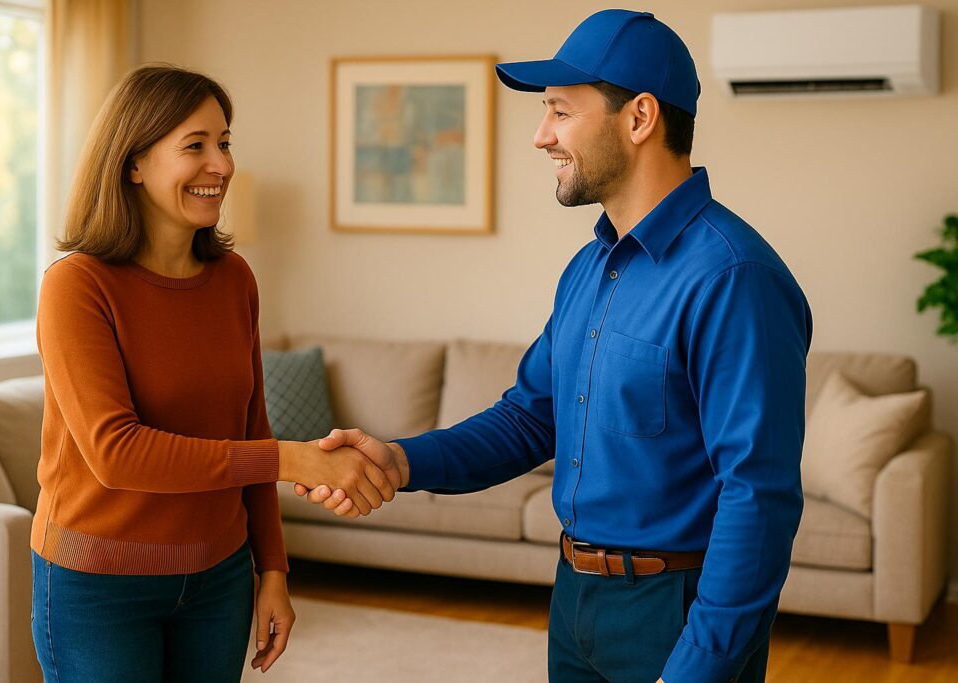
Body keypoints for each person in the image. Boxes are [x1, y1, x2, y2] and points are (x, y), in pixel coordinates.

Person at [296, 10, 812, 683]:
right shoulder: (589, 269)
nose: (542, 136)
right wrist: (398, 460)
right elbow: (529, 417)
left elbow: (759, 497)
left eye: (561, 112)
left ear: (640, 118)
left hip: (674, 614)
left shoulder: (734, 277)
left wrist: (698, 667)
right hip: (575, 600)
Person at [31, 65, 400, 682]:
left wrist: (273, 573)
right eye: (195, 145)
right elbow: (116, 454)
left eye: (224, 143)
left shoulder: (234, 279)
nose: (222, 165)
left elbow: (250, 427)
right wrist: (291, 459)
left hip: (219, 582)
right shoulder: (76, 286)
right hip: (97, 585)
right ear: (133, 163)